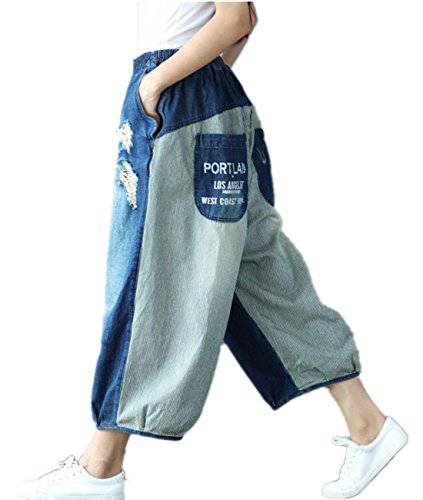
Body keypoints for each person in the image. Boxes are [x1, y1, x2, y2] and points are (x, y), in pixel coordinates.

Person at [16, 2, 408, 499]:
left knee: (151, 270)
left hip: (179, 98)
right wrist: (198, 79)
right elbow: (245, 18)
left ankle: (101, 464)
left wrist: (154, 85)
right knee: (256, 275)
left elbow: (236, 20)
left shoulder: (163, 81)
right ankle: (367, 423)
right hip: (206, 96)